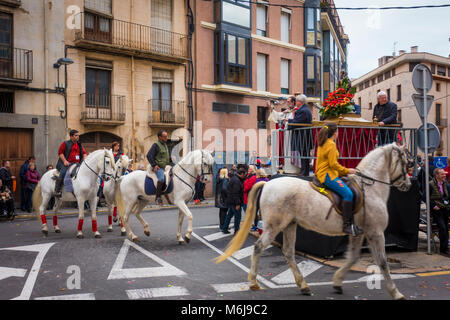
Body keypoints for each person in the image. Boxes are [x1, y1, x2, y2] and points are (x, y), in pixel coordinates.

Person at [315, 122, 361, 236]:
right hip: (327, 175)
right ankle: (347, 226)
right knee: (348, 194)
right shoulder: (331, 144)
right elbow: (333, 165)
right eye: (338, 131)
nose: (338, 133)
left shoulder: (323, 142)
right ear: (335, 133)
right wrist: (347, 170)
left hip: (323, 173)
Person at [55, 129, 87, 197]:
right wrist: (65, 161)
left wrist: (84, 159)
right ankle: (57, 190)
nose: (78, 137)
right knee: (62, 173)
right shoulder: (65, 143)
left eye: (78, 135)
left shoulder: (79, 144)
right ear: (71, 136)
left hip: (78, 164)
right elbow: (60, 153)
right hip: (68, 164)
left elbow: (84, 153)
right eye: (76, 135)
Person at [287, 94, 313, 176]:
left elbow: (297, 122)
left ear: (299, 102)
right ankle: (304, 171)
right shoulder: (305, 109)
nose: (296, 103)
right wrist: (290, 120)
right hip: (305, 135)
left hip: (303, 136)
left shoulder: (303, 110)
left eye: (297, 101)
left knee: (304, 154)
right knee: (304, 153)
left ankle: (304, 171)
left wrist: (288, 122)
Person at [146, 130, 173, 205]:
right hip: (159, 167)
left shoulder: (165, 145)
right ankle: (158, 198)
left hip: (166, 166)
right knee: (161, 179)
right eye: (165, 136)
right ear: (160, 137)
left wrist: (171, 159)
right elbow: (149, 155)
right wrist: (154, 165)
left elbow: (165, 158)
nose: (166, 138)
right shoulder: (156, 145)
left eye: (167, 136)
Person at [429, 168, 449, 257]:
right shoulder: (431, 184)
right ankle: (443, 250)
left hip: (445, 208)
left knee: (446, 229)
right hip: (436, 210)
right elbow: (425, 197)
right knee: (443, 228)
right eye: (442, 174)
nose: (444, 175)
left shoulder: (445, 183)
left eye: (444, 174)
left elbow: (446, 195)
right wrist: (434, 206)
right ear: (436, 175)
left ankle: (445, 248)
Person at [222, 168, 246, 234]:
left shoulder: (233, 179)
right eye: (244, 175)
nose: (244, 176)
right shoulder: (237, 181)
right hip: (235, 202)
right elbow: (236, 193)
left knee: (229, 215)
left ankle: (225, 228)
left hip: (231, 201)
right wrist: (238, 204)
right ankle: (236, 231)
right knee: (237, 217)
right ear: (242, 174)